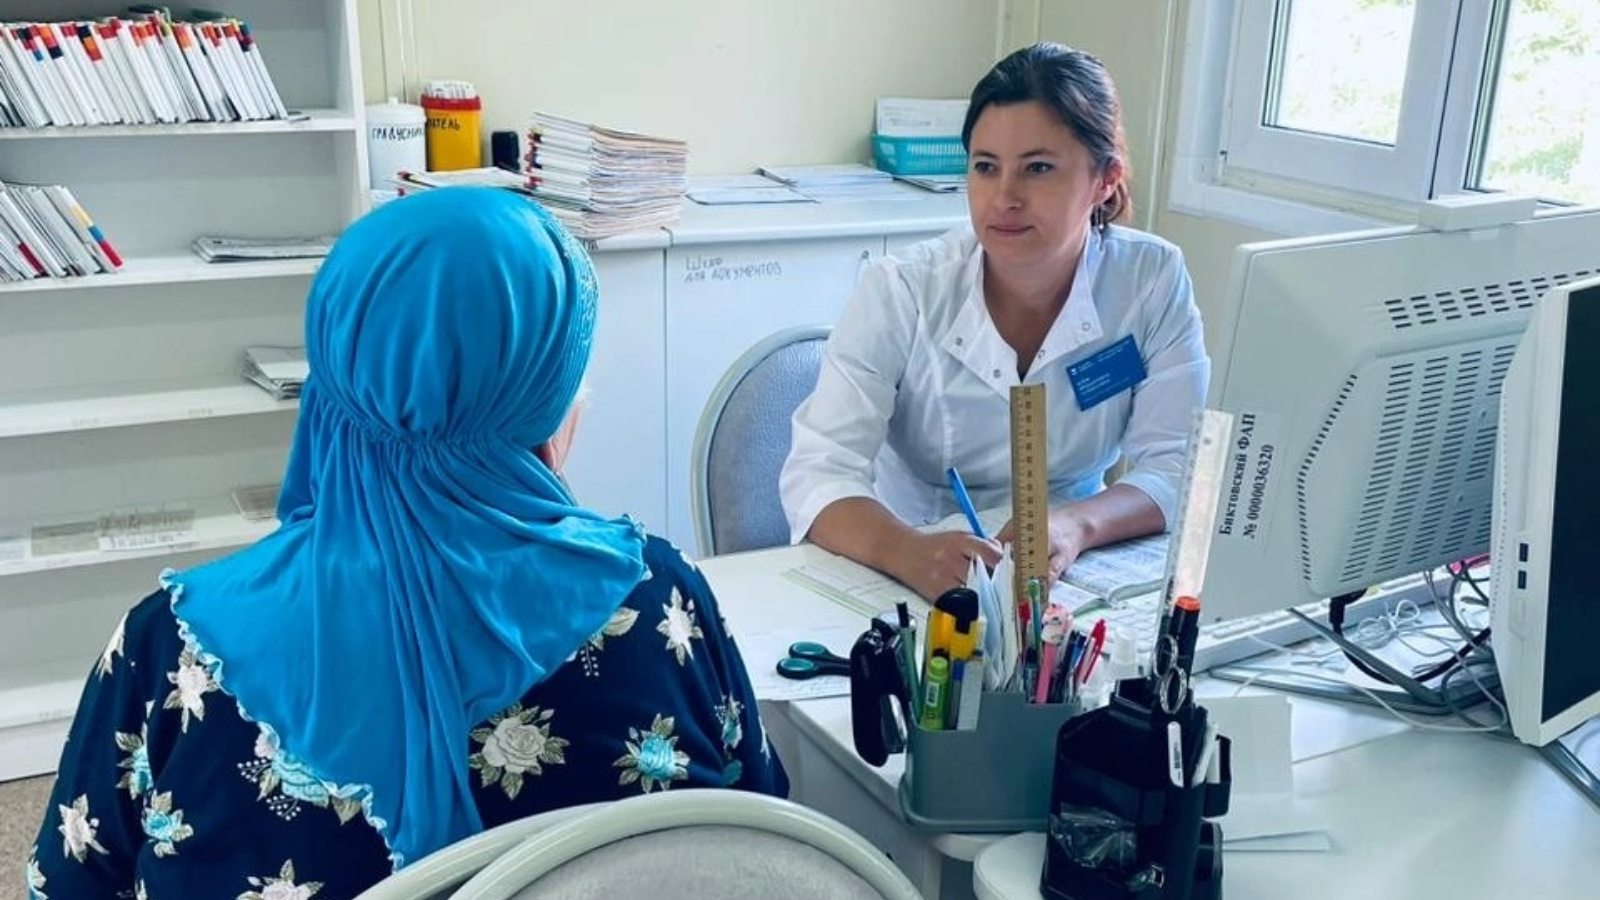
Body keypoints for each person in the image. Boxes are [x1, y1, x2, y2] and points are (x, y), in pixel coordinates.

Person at [25, 187, 787, 900]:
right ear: (545, 411)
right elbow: (768, 842)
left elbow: (66, 885)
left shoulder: (171, 651)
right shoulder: (663, 602)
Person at [780, 43, 1209, 601]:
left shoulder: (1150, 279)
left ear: (1105, 179)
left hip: (1076, 568)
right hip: (917, 564)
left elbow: (1179, 465)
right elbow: (818, 472)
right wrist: (906, 550)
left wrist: (1077, 524)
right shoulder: (903, 287)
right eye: (985, 167)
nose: (1004, 197)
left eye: (1038, 168)